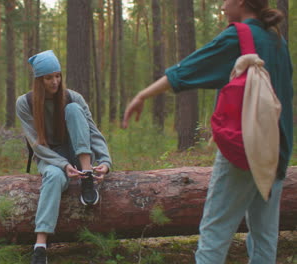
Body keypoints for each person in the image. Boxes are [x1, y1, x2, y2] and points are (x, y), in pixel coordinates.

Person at [122, 0, 293, 263]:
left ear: (241, 2)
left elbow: (189, 69)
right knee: (264, 240)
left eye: (226, 1)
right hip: (277, 151)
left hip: (243, 151)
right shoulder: (278, 41)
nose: (223, 7)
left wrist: (143, 95)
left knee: (215, 234)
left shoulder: (240, 35)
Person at [16, 50, 112, 264]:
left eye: (57, 75)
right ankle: (40, 246)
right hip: (49, 157)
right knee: (53, 178)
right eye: (49, 77)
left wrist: (105, 162)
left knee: (74, 109)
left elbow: (93, 132)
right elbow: (36, 145)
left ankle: (87, 176)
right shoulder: (25, 103)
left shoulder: (72, 97)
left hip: (79, 154)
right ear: (39, 80)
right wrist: (62, 164)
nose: (55, 81)